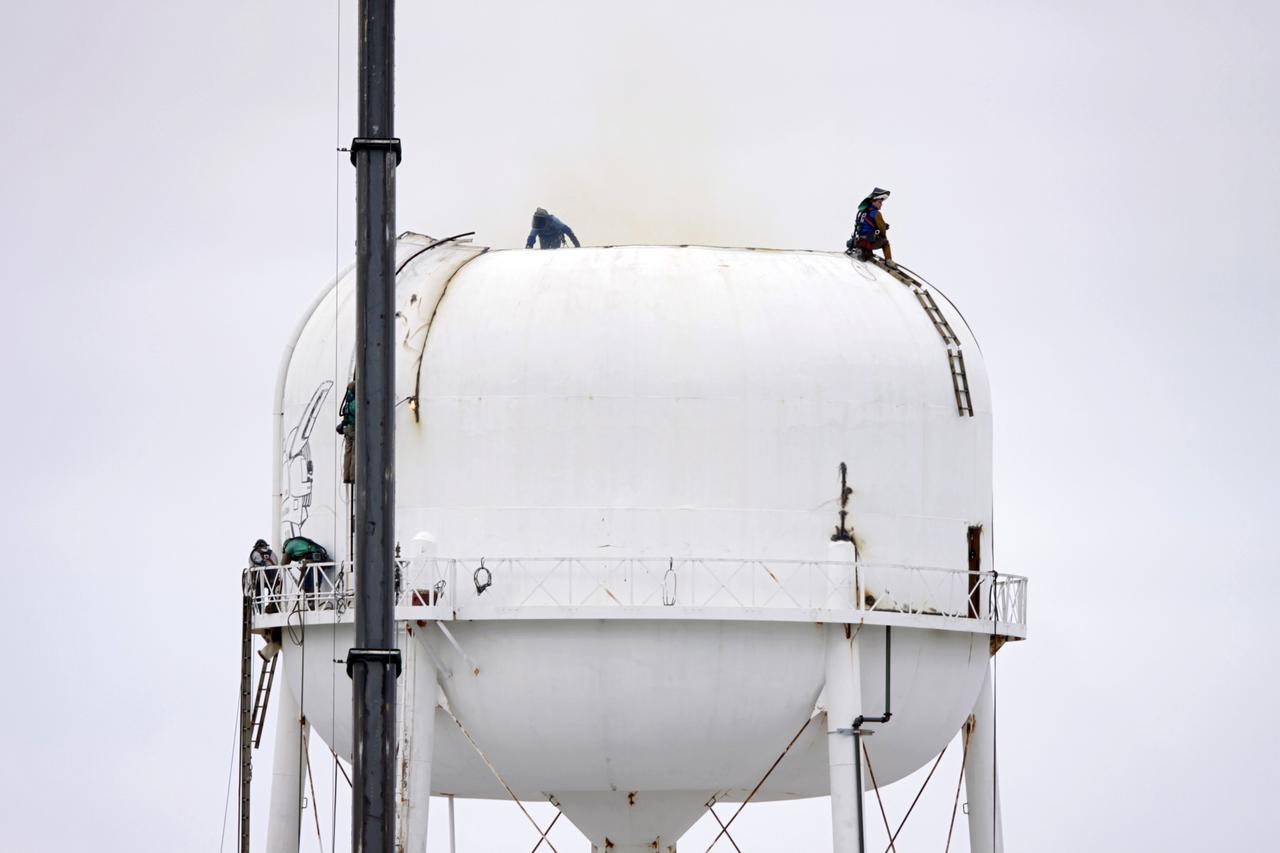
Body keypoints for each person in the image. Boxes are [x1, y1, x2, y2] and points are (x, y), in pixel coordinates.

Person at [846, 187, 895, 267]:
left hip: (859, 241)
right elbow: (882, 230)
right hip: (869, 242)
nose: (881, 204)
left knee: (867, 255)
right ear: (873, 202)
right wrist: (883, 231)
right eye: (879, 202)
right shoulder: (876, 213)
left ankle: (865, 252)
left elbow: (866, 225)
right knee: (885, 242)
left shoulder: (863, 212)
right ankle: (888, 260)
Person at [248, 538, 280, 612]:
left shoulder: (254, 553)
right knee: (272, 592)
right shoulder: (272, 553)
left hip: (260, 577)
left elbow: (251, 567)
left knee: (258, 594)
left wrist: (251, 582)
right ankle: (273, 606)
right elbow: (276, 563)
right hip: (272, 577)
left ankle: (259, 609)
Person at [336, 380, 355, 485]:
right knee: (355, 453)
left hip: (347, 430)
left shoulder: (347, 403)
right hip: (354, 429)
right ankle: (353, 477)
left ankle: (346, 476)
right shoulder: (355, 403)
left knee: (347, 453)